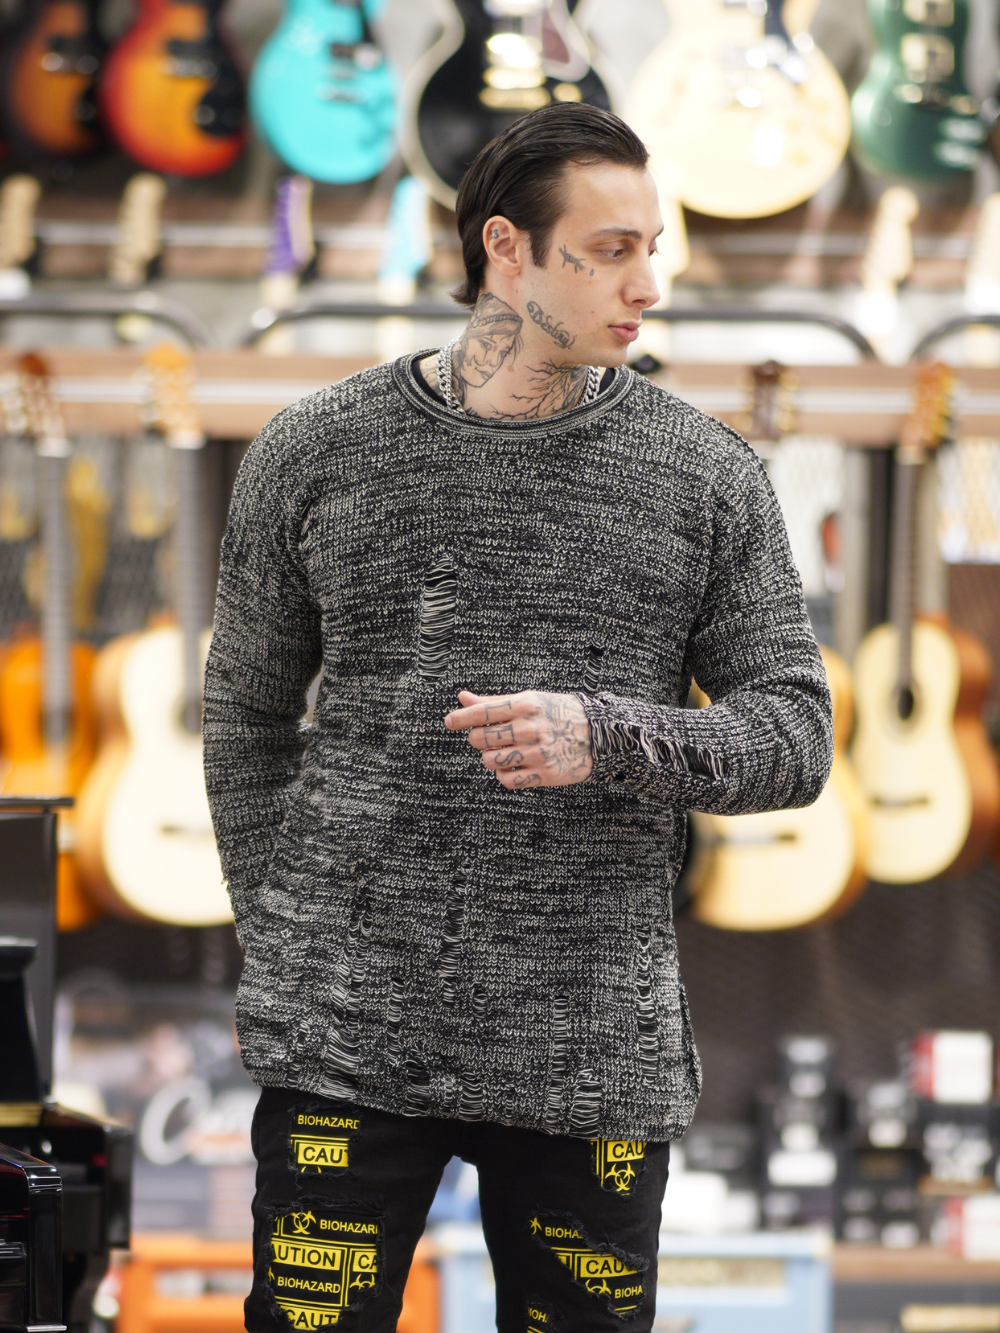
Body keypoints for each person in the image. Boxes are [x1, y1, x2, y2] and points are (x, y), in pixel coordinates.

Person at [204, 102, 833, 1333]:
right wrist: (278, 933)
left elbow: (795, 738)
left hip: (588, 1048)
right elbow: (244, 713)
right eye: (608, 251)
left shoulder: (705, 474)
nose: (646, 285)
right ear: (505, 248)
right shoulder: (315, 449)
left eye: (651, 248)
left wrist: (608, 735)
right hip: (344, 1041)